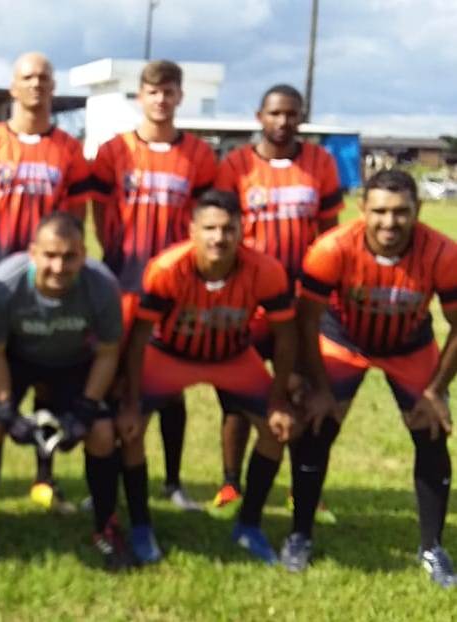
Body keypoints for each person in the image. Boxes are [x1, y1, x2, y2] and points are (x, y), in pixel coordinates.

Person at [283, 170, 457, 587]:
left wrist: (435, 390)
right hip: (344, 340)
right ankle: (300, 534)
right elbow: (305, 322)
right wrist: (319, 388)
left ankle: (432, 547)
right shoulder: (332, 248)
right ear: (362, 209)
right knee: (316, 425)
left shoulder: (442, 252)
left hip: (409, 345)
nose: (389, 223)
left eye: (401, 212)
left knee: (431, 432)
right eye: (379, 211)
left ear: (419, 210)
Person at [119, 190, 297, 565]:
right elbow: (137, 339)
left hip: (233, 357)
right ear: (192, 231)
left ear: (242, 230)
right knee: (131, 429)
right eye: (210, 229)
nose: (219, 238)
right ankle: (140, 525)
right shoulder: (167, 268)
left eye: (229, 229)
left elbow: (285, 336)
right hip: (170, 355)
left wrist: (279, 399)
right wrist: (131, 401)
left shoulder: (265, 270)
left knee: (276, 428)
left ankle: (249, 525)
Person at [0, 52, 91, 513]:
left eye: (44, 78)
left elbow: (76, 220)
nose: (36, 84)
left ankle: (43, 476)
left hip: (49, 285)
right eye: (27, 77)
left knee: (48, 380)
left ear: (53, 88)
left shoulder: (69, 150)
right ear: (13, 87)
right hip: (0, 289)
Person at [89, 59, 218, 512]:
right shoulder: (113, 151)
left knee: (169, 384)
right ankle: (105, 480)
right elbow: (99, 211)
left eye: (169, 91)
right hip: (124, 281)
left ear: (180, 96)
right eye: (153, 91)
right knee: (114, 377)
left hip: (177, 289)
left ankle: (173, 482)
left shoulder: (199, 155)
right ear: (139, 96)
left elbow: (206, 219)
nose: (161, 99)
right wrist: (117, 254)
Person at [0, 212, 130, 567]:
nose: (59, 266)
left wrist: (86, 408)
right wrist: (6, 410)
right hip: (15, 358)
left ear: (84, 254)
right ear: (33, 253)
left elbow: (107, 353)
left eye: (69, 256)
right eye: (50, 255)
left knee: (102, 433)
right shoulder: (3, 284)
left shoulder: (103, 286)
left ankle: (106, 524)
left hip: (73, 360)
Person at [212, 84, 343, 517]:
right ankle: (231, 483)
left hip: (301, 302)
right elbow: (221, 227)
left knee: (301, 391)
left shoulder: (320, 162)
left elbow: (329, 232)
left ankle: (301, 488)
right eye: (275, 113)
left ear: (301, 117)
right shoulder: (236, 165)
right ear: (259, 117)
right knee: (237, 393)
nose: (283, 121)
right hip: (248, 302)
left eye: (291, 113)